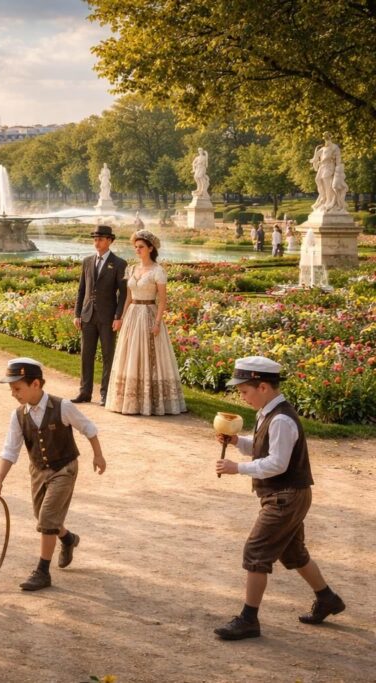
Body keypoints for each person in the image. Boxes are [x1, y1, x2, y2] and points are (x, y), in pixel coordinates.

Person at [213, 356, 345, 641]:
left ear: (262, 387)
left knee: (256, 552)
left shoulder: (282, 419)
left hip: (285, 497)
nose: (242, 396)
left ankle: (249, 619)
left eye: (244, 391)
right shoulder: (268, 413)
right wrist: (238, 442)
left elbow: (277, 464)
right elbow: (263, 449)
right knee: (293, 552)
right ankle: (327, 598)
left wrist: (237, 469)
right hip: (287, 495)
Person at [0, 358, 106, 592]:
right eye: (12, 389)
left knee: (47, 518)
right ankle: (68, 538)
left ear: (35, 384)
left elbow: (89, 428)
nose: (13, 394)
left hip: (64, 468)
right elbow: (10, 450)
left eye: (17, 388)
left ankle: (42, 572)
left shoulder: (62, 406)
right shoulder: (18, 415)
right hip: (39, 471)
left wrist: (98, 456)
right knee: (43, 517)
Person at [104, 230, 186, 415]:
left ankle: (151, 400)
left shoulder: (158, 271)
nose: (137, 250)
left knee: (150, 356)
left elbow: (162, 300)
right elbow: (128, 297)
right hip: (133, 315)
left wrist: (157, 323)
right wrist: (122, 317)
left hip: (149, 312)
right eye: (135, 247)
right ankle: (130, 400)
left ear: (150, 248)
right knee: (130, 354)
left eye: (141, 247)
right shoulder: (131, 269)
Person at [73, 225, 127, 406]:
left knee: (107, 356)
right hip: (87, 316)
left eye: (101, 239)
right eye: (95, 239)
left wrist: (118, 316)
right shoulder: (87, 261)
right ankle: (84, 392)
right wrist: (77, 313)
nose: (97, 242)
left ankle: (105, 394)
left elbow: (123, 294)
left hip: (107, 317)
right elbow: (81, 290)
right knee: (86, 356)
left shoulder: (119, 263)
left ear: (110, 241)